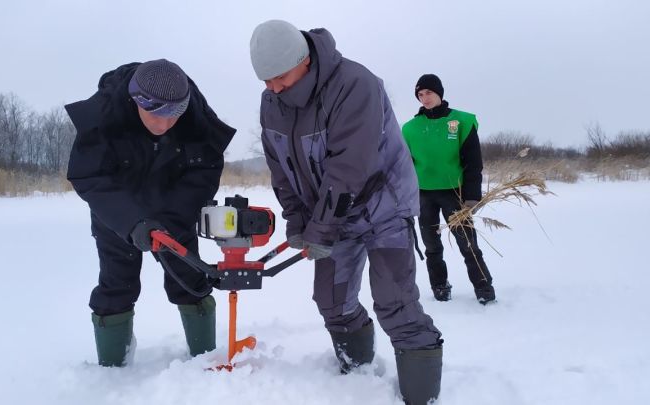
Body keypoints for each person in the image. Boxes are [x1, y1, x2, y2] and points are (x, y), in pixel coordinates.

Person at [250, 20, 443, 403]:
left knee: (395, 302)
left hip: (382, 207)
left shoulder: (355, 85)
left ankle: (421, 395)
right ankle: (355, 380)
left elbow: (348, 169)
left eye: (279, 78)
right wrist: (298, 221)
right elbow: (281, 170)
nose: (272, 88)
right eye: (265, 81)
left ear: (303, 60)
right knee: (332, 301)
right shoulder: (272, 102)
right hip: (332, 213)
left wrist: (320, 231)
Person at [65, 59, 235, 367]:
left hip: (174, 212)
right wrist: (132, 223)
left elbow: (205, 169)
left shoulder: (195, 115)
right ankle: (112, 371)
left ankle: (204, 358)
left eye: (174, 116)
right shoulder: (104, 114)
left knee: (189, 280)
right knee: (117, 284)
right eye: (156, 115)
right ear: (137, 101)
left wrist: (173, 217)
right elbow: (89, 176)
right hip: (118, 216)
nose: (164, 125)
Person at [401, 74, 496, 304]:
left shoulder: (461, 122)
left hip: (455, 194)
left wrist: (472, 196)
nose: (425, 98)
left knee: (468, 244)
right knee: (432, 245)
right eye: (420, 95)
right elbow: (404, 167)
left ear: (439, 93)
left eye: (429, 93)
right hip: (424, 195)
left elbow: (473, 163)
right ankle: (440, 287)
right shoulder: (410, 128)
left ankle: (484, 287)